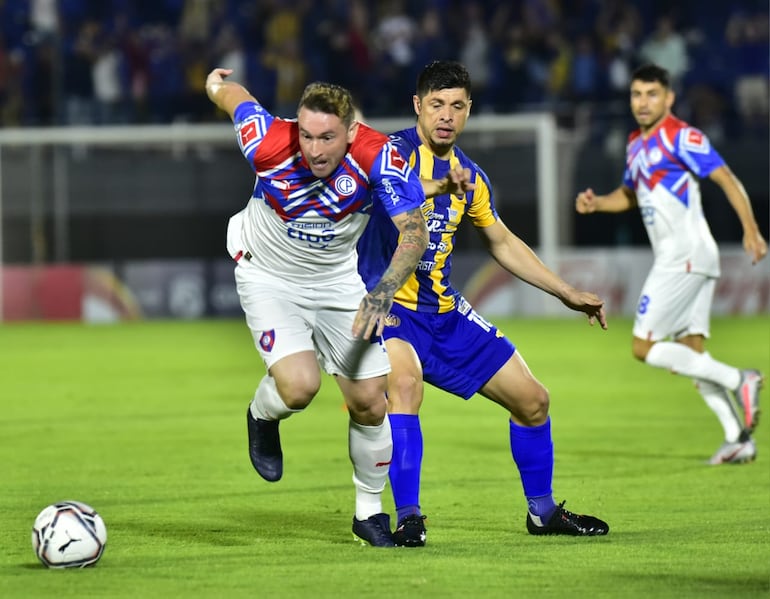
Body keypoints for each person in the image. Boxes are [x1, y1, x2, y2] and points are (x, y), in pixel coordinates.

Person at [357, 60, 610, 547]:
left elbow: (503, 242)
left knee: (534, 401)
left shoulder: (471, 176)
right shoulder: (387, 156)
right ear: (417, 106)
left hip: (446, 315)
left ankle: (543, 512)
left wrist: (567, 292)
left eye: (456, 106)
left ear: (469, 110)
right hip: (389, 310)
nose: (446, 115)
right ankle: (408, 517)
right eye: (436, 105)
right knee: (405, 387)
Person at [204, 67, 429, 547]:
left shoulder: (379, 158)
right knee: (300, 387)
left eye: (327, 137)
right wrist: (214, 84)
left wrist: (384, 288)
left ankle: (368, 515)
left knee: (371, 401)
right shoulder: (267, 140)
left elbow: (414, 232)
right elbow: (235, 97)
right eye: (306, 135)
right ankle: (261, 417)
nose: (314, 149)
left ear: (351, 131)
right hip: (268, 275)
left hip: (337, 283)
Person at [575, 63, 767, 465]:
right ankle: (738, 439)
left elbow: (727, 179)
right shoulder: (634, 144)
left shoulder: (682, 136)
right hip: (691, 258)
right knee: (691, 354)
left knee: (642, 347)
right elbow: (629, 195)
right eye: (636, 94)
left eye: (651, 94)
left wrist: (751, 229)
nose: (643, 102)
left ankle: (740, 380)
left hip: (684, 256)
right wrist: (597, 204)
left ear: (669, 98)